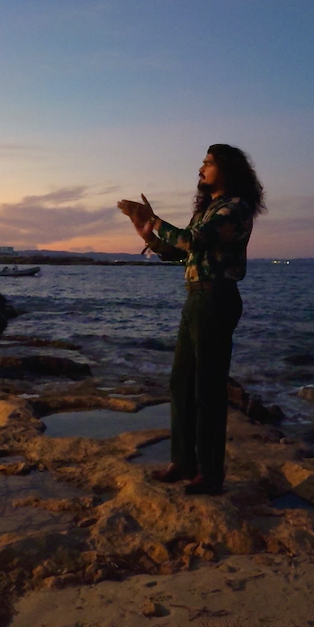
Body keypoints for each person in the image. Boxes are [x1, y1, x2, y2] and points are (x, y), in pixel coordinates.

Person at [117, 144, 265, 495]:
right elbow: (182, 252)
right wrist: (148, 235)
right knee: (181, 383)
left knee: (208, 389)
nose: (201, 168)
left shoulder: (234, 208)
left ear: (227, 170)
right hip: (197, 298)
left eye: (208, 163)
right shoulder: (209, 209)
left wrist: (155, 219)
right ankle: (183, 461)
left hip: (216, 299)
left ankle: (211, 474)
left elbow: (193, 240)